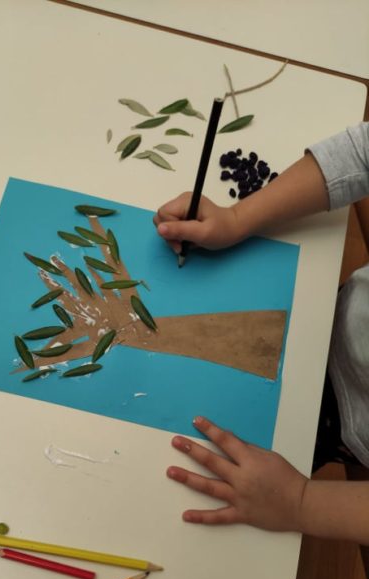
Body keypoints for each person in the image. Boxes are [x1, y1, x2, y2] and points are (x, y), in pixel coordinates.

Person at [153, 121, 369, 546]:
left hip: (346, 422)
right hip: (337, 317)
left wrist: (300, 502)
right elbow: (362, 151)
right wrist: (236, 218)